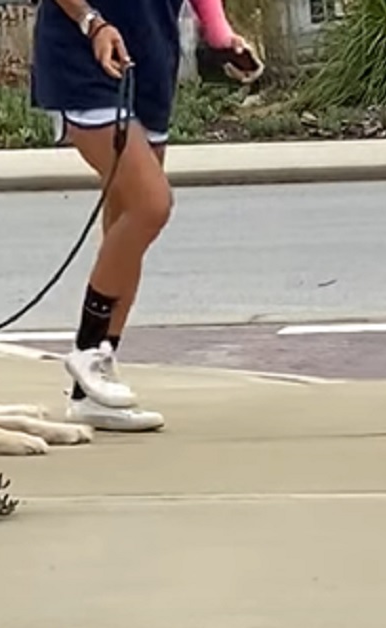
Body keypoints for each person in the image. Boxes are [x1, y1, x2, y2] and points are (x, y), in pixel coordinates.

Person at [30, 0, 256, 431]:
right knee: (151, 205)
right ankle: (89, 353)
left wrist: (220, 35)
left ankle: (91, 388)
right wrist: (90, 22)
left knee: (124, 221)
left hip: (150, 61)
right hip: (86, 60)